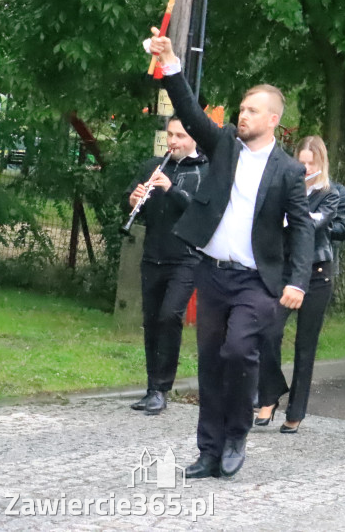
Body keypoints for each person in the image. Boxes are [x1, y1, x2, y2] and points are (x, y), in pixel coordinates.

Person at [148, 30, 313, 480]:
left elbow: (301, 228)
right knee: (209, 361)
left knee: (239, 351)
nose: (243, 115)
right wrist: (171, 63)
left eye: (253, 110)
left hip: (257, 280)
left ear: (274, 118)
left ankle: (237, 433)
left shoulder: (289, 171)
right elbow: (188, 111)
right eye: (242, 108)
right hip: (212, 273)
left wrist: (297, 280)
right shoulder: (223, 147)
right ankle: (208, 449)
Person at [255, 136, 345, 434]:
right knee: (267, 331)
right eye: (302, 162)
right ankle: (269, 394)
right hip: (284, 269)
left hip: (317, 270)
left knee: (305, 345)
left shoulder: (331, 192)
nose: (306, 167)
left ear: (321, 163)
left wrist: (296, 216)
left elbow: (316, 224)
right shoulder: (284, 188)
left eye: (312, 163)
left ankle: (296, 411)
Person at [125, 117, 208, 416]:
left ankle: (162, 388)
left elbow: (201, 210)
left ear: (194, 137)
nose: (173, 141)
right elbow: (132, 203)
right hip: (153, 254)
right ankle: (151, 388)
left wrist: (171, 189)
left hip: (186, 257)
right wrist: (134, 200)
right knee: (152, 321)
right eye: (170, 134)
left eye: (180, 136)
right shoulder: (154, 165)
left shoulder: (204, 169)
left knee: (169, 315)